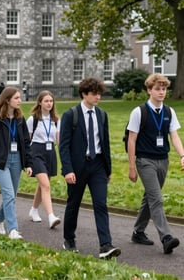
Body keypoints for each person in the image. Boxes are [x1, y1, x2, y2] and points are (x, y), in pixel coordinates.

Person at [59, 77, 121, 259]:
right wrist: (68, 169)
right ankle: (68, 240)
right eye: (94, 94)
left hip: (98, 166)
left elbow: (106, 143)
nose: (98, 97)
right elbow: (63, 146)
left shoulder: (102, 115)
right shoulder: (71, 115)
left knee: (101, 204)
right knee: (74, 204)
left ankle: (105, 245)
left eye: (100, 93)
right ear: (84, 94)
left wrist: (108, 169)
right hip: (78, 167)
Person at [127, 73, 184, 254]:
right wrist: (131, 167)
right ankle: (166, 237)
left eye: (164, 89)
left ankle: (138, 231)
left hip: (163, 160)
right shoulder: (139, 112)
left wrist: (183, 155)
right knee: (157, 198)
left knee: (150, 198)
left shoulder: (169, 112)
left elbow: (174, 136)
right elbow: (131, 140)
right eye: (157, 89)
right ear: (149, 90)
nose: (161, 92)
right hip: (145, 161)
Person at [0, 86, 33, 239]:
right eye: (16, 98)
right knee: (9, 194)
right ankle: (13, 230)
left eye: (19, 98)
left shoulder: (19, 120)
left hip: (17, 159)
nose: (20, 101)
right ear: (7, 100)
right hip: (0, 162)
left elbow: (26, 142)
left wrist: (28, 164)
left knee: (12, 196)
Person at [26, 90, 61, 229]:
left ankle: (34, 210)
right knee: (46, 185)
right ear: (40, 102)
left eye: (51, 101)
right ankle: (51, 216)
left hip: (50, 152)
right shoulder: (33, 119)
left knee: (43, 185)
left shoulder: (56, 120)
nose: (49, 103)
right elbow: (27, 141)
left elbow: (59, 141)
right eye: (46, 101)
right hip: (36, 152)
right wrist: (27, 161)